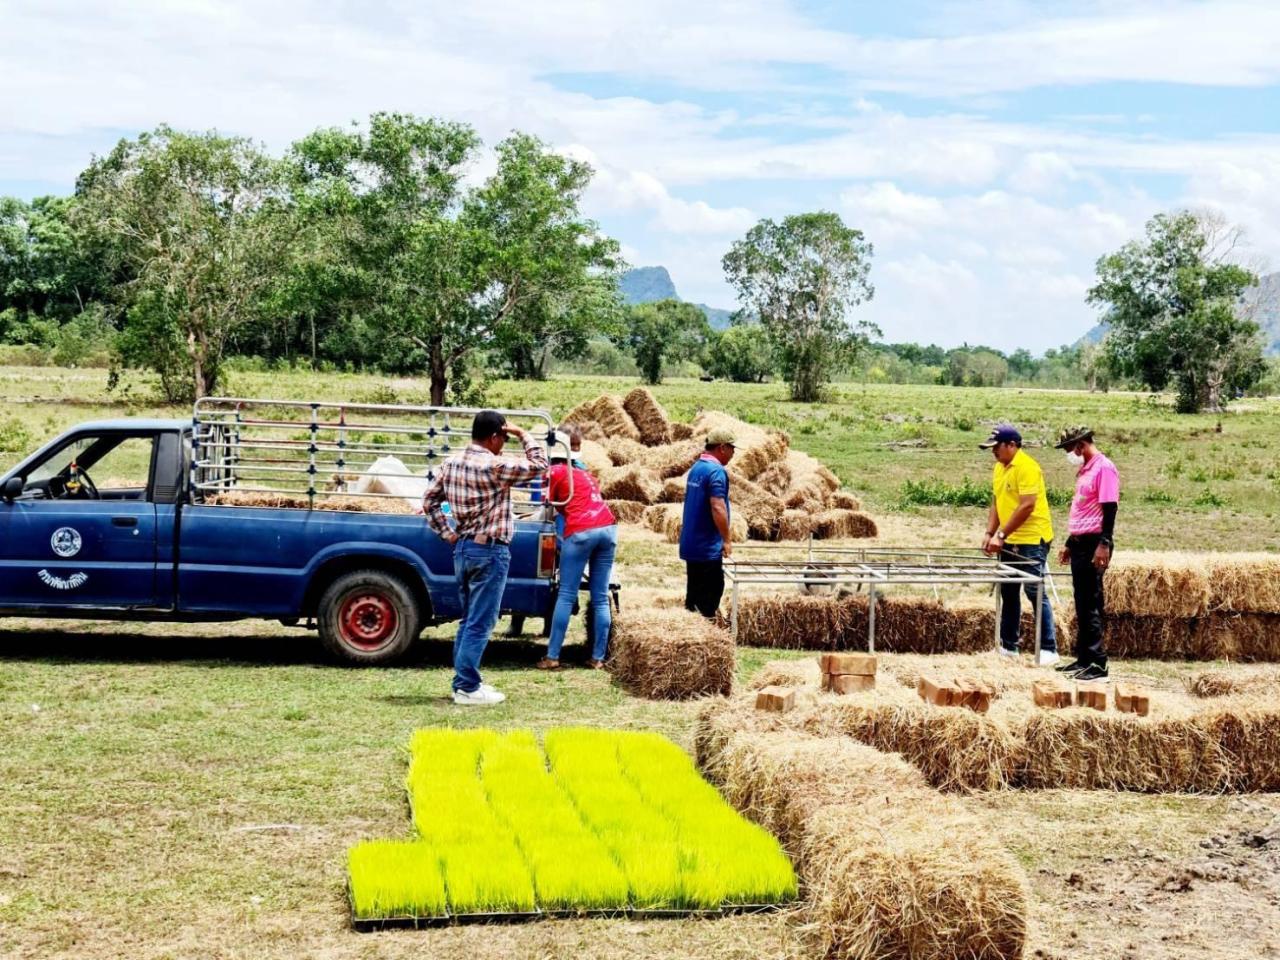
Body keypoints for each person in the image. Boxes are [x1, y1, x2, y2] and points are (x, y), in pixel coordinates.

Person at [424, 410, 548, 705]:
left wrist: (448, 533)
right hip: (490, 550)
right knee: (481, 621)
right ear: (494, 437)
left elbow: (429, 500)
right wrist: (523, 434)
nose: (504, 444)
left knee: (470, 619)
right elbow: (540, 465)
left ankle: (465, 682)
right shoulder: (495, 466)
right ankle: (467, 687)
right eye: (504, 438)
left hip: (464, 548)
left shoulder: (451, 463)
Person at [537, 426, 618, 671]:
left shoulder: (555, 472)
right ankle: (597, 658)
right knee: (600, 597)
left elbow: (548, 508)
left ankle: (552, 656)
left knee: (566, 594)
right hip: (608, 528)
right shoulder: (585, 474)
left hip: (581, 532)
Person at [979, 424, 1059, 664]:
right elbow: (996, 501)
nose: (993, 452)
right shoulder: (999, 468)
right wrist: (989, 531)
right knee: (1009, 590)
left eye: (997, 447)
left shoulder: (1027, 467)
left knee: (1035, 590)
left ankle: (1048, 648)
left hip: (1031, 538)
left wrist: (1000, 535)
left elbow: (1026, 506)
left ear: (1011, 445)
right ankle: (1008, 645)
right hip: (1008, 538)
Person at [1054, 425, 1119, 682]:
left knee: (1090, 603)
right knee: (1081, 603)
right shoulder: (1086, 469)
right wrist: (1071, 542)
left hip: (1094, 542)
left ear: (1081, 445)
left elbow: (1109, 509)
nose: (1070, 454)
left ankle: (1098, 665)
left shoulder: (1104, 468)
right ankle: (1084, 659)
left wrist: (1104, 543)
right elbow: (1083, 509)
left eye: (1071, 449)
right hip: (1081, 543)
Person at [680, 428, 735, 618]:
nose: (733, 453)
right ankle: (705, 638)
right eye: (731, 448)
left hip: (691, 544)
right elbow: (718, 507)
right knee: (711, 595)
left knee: (693, 596)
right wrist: (727, 540)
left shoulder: (696, 468)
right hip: (707, 547)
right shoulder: (716, 472)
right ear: (722, 448)